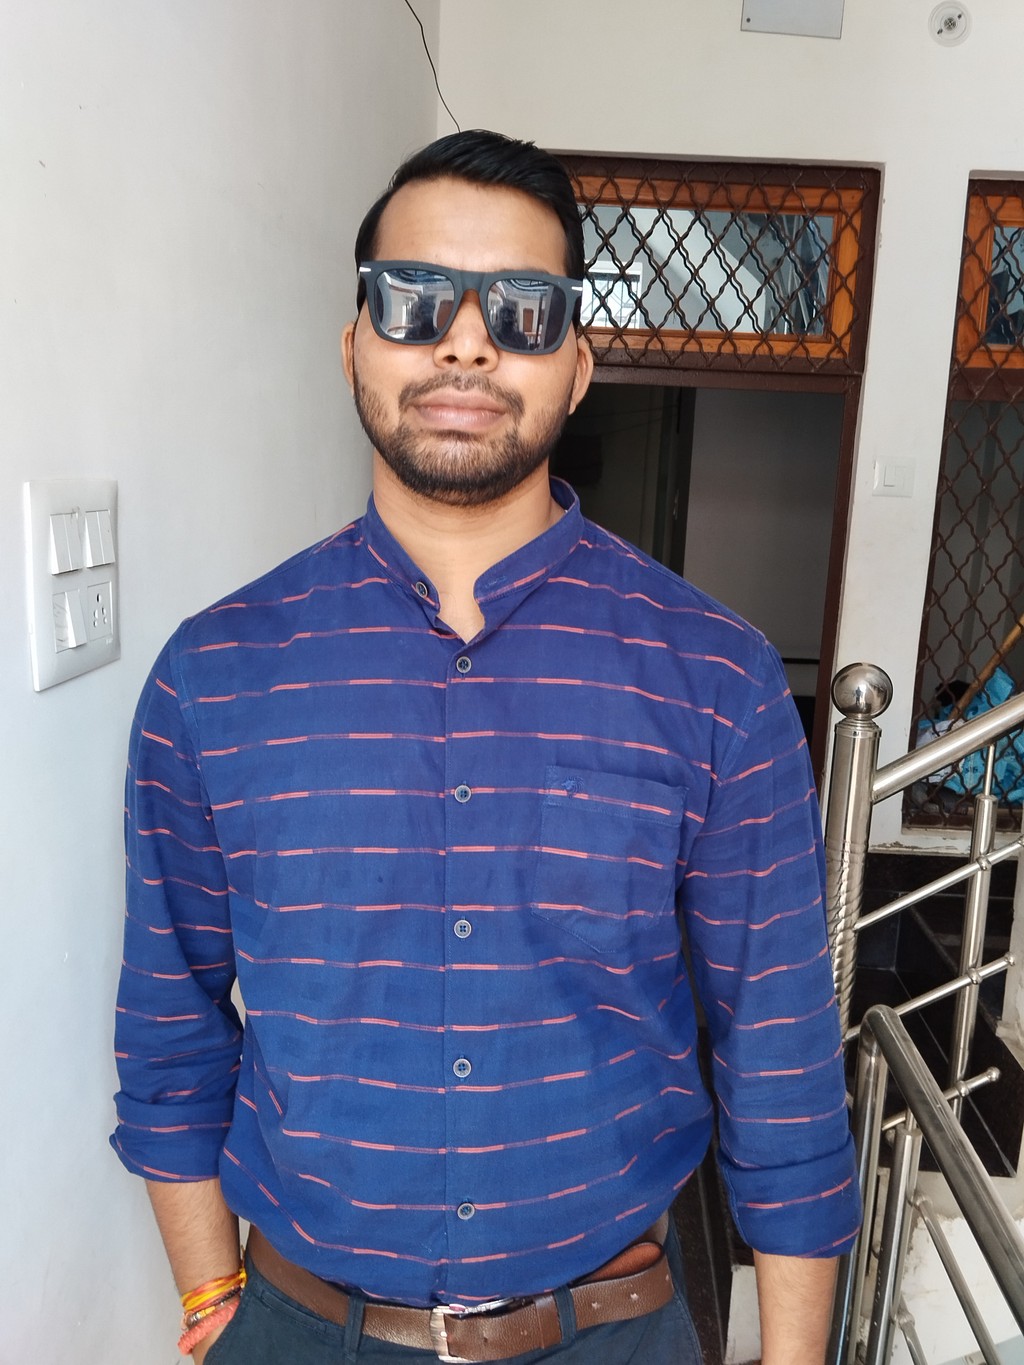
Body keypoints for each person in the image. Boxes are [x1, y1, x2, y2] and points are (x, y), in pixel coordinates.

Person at [111, 129, 859, 1365]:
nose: (465, 342)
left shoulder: (715, 677)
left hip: (611, 1331)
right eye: (414, 299)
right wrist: (207, 1300)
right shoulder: (215, 675)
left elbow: (777, 1053)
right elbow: (170, 1023)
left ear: (577, 366)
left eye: (521, 309)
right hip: (299, 1326)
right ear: (355, 343)